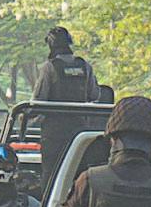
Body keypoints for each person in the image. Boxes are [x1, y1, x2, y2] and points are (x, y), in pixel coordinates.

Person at [34, 27, 101, 191]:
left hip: (54, 135)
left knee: (50, 178)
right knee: (79, 176)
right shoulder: (85, 66)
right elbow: (94, 94)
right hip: (80, 133)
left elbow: (38, 101)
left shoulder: (49, 67)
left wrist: (28, 119)